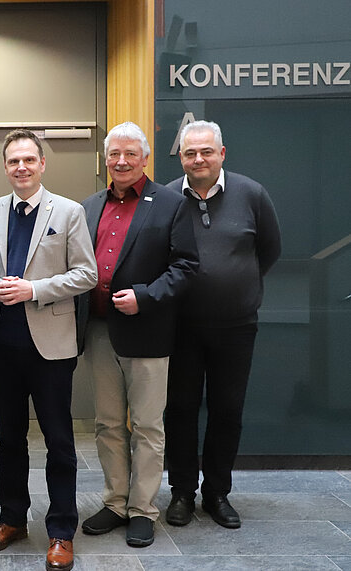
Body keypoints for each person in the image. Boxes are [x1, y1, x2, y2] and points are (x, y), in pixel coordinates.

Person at [0, 130, 97, 571]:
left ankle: (62, 531)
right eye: (13, 161)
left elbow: (87, 273)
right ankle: (11, 520)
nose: (21, 167)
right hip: (3, 346)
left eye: (29, 159)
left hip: (51, 348)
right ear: (5, 167)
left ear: (42, 164)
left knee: (59, 441)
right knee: (10, 439)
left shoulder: (68, 211)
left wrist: (34, 289)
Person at [77, 122, 198, 547]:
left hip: (147, 331)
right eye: (114, 154)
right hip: (98, 330)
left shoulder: (169, 203)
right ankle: (115, 502)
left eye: (130, 154)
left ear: (145, 158)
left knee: (147, 425)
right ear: (105, 159)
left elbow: (186, 266)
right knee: (108, 423)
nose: (122, 162)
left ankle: (143, 508)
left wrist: (145, 296)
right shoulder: (89, 205)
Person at [163, 120, 281, 529]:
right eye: (190, 153)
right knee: (179, 409)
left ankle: (216, 493)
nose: (199, 159)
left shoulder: (252, 194)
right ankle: (181, 492)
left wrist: (236, 286)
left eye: (206, 152)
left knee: (227, 410)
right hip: (181, 328)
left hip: (235, 327)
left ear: (222, 153)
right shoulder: (165, 199)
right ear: (180, 157)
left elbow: (268, 250)